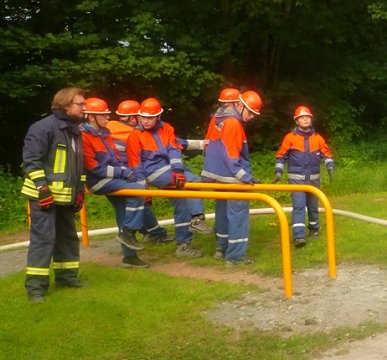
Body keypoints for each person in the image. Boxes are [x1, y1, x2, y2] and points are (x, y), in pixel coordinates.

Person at [20, 87, 87, 302]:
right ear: (65, 105)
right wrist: (42, 188)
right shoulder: (42, 128)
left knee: (67, 239)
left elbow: (78, 166)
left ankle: (67, 278)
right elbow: (32, 160)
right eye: (80, 104)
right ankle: (36, 288)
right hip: (44, 197)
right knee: (43, 240)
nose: (84, 108)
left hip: (67, 196)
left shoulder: (74, 131)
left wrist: (80, 192)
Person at [126, 97, 212, 258]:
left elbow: (174, 150)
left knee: (182, 204)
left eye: (149, 117)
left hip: (170, 170)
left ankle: (183, 245)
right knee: (194, 180)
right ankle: (197, 219)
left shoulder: (167, 129)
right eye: (143, 117)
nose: (145, 121)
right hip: (153, 172)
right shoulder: (135, 136)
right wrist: (141, 184)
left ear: (158, 116)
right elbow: (135, 163)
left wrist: (178, 170)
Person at [80, 97, 150, 268]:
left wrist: (125, 173)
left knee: (124, 210)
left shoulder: (104, 133)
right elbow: (94, 169)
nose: (108, 118)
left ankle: (129, 257)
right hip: (98, 181)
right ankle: (129, 231)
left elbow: (115, 159)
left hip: (112, 179)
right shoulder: (83, 137)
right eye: (103, 115)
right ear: (91, 117)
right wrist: (124, 172)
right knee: (138, 191)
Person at [202, 90, 262, 266]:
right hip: (232, 177)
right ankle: (235, 257)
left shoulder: (217, 119)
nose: (251, 117)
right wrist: (245, 177)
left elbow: (208, 144)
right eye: (250, 112)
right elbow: (231, 155)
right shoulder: (234, 124)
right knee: (238, 216)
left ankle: (221, 249)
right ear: (239, 105)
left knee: (222, 213)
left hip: (216, 176)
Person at [106, 99, 173, 244]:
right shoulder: (133, 133)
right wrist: (199, 144)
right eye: (141, 116)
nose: (144, 120)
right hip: (126, 176)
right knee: (135, 205)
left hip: (110, 176)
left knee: (135, 207)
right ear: (132, 118)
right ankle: (133, 245)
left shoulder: (107, 127)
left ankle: (153, 233)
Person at [274, 105, 334, 248]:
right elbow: (281, 156)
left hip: (313, 179)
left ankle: (314, 230)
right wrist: (278, 171)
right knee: (299, 206)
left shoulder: (318, 138)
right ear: (297, 121)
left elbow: (326, 154)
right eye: (302, 117)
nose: (306, 119)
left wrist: (330, 166)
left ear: (311, 120)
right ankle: (299, 236)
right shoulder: (290, 138)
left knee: (313, 207)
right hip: (296, 180)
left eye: (307, 117)